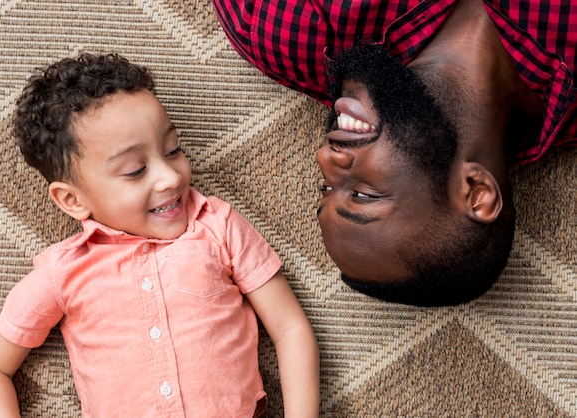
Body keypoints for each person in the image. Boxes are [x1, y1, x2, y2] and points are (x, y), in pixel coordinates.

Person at [0, 53, 320, 417]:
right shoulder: (63, 270)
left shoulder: (217, 225)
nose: (170, 178)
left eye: (173, 150)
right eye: (135, 171)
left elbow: (290, 328)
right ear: (72, 199)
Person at [212, 0, 577, 306]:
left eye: (325, 189)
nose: (325, 157)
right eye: (362, 194)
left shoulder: (290, 32)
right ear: (474, 190)